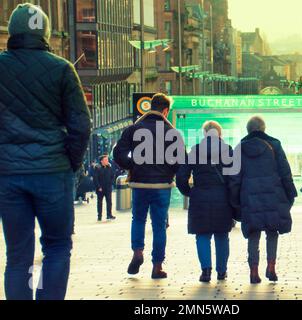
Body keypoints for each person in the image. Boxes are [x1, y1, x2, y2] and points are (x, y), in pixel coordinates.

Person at [0, 4, 91, 300]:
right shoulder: (61, 68)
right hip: (53, 172)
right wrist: (70, 163)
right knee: (56, 247)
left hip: (9, 175)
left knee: (18, 255)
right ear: (46, 33)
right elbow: (81, 125)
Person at [113, 93, 185, 279]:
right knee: (159, 225)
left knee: (138, 219)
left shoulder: (133, 129)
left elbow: (118, 153)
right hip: (162, 185)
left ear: (150, 107)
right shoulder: (173, 133)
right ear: (166, 111)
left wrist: (132, 166)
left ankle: (137, 252)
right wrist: (169, 173)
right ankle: (157, 266)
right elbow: (181, 160)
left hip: (140, 183)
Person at [229, 116, 297, 284]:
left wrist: (234, 200)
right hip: (273, 195)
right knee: (272, 232)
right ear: (264, 128)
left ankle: (253, 271)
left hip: (249, 197)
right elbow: (285, 172)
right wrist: (290, 194)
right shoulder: (275, 145)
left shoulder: (239, 148)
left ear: (248, 130)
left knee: (253, 233)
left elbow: (234, 178)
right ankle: (271, 267)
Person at [176, 121, 234, 283]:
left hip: (200, 196)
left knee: (202, 235)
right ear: (219, 134)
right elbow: (234, 177)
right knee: (222, 235)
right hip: (222, 197)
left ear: (204, 134)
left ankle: (206, 271)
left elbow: (181, 176)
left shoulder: (195, 151)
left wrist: (189, 192)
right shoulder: (227, 150)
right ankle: (222, 272)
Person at [93, 155, 116, 221]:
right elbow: (95, 178)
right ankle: (99, 216)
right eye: (105, 160)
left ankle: (109, 215)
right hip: (100, 188)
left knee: (109, 202)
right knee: (100, 202)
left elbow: (112, 175)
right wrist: (98, 187)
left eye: (107, 160)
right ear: (101, 161)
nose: (107, 161)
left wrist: (111, 183)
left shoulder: (109, 167)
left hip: (108, 187)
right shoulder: (97, 167)